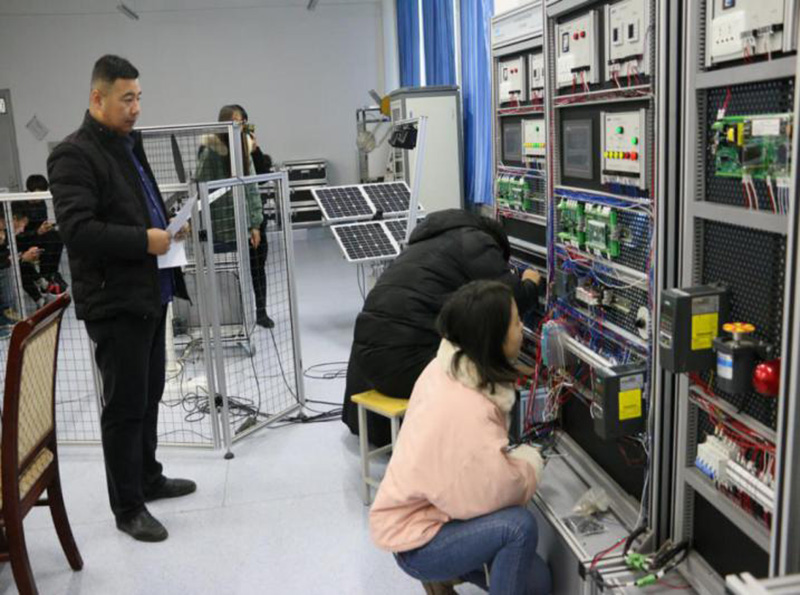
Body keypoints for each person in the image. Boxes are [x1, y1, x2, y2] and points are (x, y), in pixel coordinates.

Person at [48, 54, 194, 543]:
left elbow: (136, 207)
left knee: (148, 396)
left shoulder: (128, 145)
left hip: (151, 293)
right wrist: (144, 240)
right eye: (126, 99)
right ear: (97, 97)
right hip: (116, 303)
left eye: (138, 98)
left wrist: (166, 227)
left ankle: (148, 477)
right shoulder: (73, 155)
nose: (136, 108)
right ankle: (127, 506)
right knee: (125, 406)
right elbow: (79, 230)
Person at [370, 280, 551, 595]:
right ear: (492, 336)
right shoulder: (467, 407)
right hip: (419, 540)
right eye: (515, 322)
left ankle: (445, 576)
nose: (522, 329)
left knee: (538, 583)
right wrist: (529, 464)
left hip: (425, 515)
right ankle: (440, 570)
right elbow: (492, 494)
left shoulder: (447, 368)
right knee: (519, 528)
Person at [342, 209, 544, 446]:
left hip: (368, 363)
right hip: (403, 368)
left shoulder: (425, 243)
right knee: (478, 358)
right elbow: (508, 301)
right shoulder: (477, 242)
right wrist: (530, 283)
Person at [196, 104, 272, 328]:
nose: (240, 125)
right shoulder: (210, 152)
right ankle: (229, 316)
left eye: (243, 121)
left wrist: (255, 224)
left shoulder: (246, 148)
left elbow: (256, 184)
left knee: (258, 266)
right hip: (224, 223)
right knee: (226, 269)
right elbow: (201, 187)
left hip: (251, 219)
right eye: (237, 121)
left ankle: (261, 311)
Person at [24, 174, 68, 293]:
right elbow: (18, 232)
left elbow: (42, 221)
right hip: (26, 239)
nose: (40, 198)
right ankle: (47, 276)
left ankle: (51, 273)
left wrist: (46, 227)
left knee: (57, 236)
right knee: (50, 240)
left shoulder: (41, 203)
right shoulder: (20, 204)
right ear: (29, 190)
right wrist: (36, 231)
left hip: (39, 235)